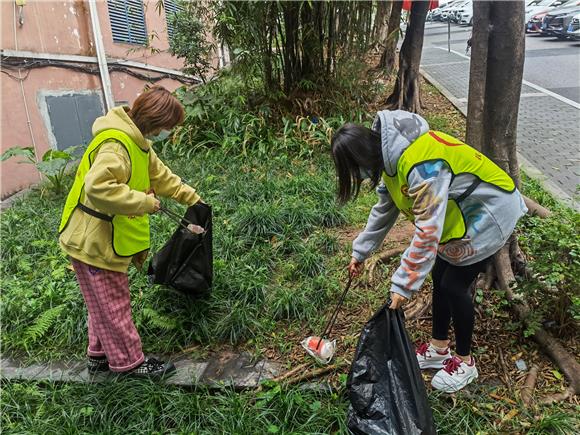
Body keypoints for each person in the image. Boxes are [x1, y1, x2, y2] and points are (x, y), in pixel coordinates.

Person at [331, 110, 527, 393]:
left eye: (354, 170)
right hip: (461, 219)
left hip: (489, 214)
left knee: (455, 285)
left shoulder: (422, 167)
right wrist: (360, 251)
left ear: (362, 157)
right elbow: (384, 211)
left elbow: (426, 231)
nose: (359, 177)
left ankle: (465, 361)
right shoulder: (392, 161)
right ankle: (439, 348)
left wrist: (402, 285)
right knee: (440, 277)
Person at [59, 86, 202, 379]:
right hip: (95, 241)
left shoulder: (138, 143)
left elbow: (161, 177)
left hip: (93, 239)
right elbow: (98, 188)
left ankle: (99, 357)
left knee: (100, 302)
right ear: (156, 121)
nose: (168, 132)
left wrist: (192, 198)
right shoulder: (117, 145)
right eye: (168, 127)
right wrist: (145, 202)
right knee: (114, 305)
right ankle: (130, 364)